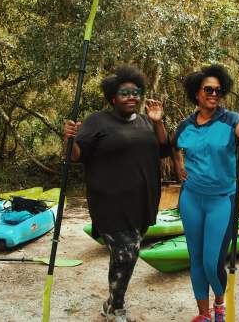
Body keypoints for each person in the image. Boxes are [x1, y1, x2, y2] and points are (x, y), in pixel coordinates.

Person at [63, 65, 168, 322]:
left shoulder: (145, 121)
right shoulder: (97, 121)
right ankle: (116, 307)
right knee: (127, 252)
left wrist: (159, 122)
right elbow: (76, 155)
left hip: (142, 203)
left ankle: (111, 301)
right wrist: (68, 139)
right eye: (125, 93)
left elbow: (164, 149)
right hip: (109, 202)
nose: (132, 97)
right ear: (113, 98)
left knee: (126, 254)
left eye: (136, 92)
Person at [171, 64, 239, 322]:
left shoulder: (230, 119)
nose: (214, 94)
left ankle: (219, 303)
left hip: (222, 201)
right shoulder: (185, 125)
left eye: (218, 90)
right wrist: (178, 167)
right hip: (190, 200)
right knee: (196, 261)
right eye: (208, 89)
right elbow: (172, 144)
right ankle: (203, 314)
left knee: (212, 262)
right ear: (197, 94)